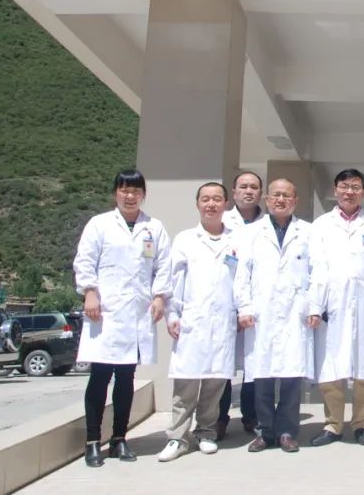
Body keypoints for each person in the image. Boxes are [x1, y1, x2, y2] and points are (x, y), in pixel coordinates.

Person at [73, 169, 171, 467]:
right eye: (125, 190)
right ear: (116, 192)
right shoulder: (99, 224)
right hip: (105, 311)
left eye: (136, 191)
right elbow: (85, 261)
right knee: (100, 377)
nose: (130, 196)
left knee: (126, 378)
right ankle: (93, 441)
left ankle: (119, 438)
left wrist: (159, 297)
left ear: (144, 194)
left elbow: (163, 266)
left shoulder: (154, 228)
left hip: (137, 313)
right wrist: (90, 292)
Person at [158, 183, 240, 462]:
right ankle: (177, 437)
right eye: (206, 199)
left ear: (226, 204)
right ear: (198, 204)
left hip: (223, 320)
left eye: (217, 199)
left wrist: (242, 310)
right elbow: (174, 279)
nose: (211, 204)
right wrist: (172, 314)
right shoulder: (185, 239)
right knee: (186, 384)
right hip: (192, 318)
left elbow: (242, 280)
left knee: (215, 383)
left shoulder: (236, 239)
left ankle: (206, 432)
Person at [307, 169, 364, 447]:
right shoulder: (321, 225)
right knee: (331, 368)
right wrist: (315, 306)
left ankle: (362, 423)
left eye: (355, 187)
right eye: (344, 186)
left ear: (363, 191)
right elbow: (316, 266)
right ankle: (333, 425)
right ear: (335, 189)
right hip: (332, 305)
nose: (349, 191)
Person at [234, 178, 313, 454]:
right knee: (262, 375)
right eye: (276, 195)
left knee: (292, 375)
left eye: (286, 195)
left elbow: (318, 271)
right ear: (267, 200)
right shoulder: (251, 232)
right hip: (261, 313)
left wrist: (314, 307)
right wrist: (244, 307)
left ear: (295, 201)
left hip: (295, 313)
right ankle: (265, 431)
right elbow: (242, 274)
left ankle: (287, 432)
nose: (281, 200)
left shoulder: (308, 232)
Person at [216, 171, 264, 439]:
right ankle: (219, 417)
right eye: (243, 187)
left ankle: (251, 416)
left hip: (257, 305)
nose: (248, 191)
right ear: (233, 192)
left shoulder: (268, 224)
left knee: (252, 364)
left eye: (254, 187)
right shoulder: (222, 221)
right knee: (223, 363)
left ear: (261, 193)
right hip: (225, 303)